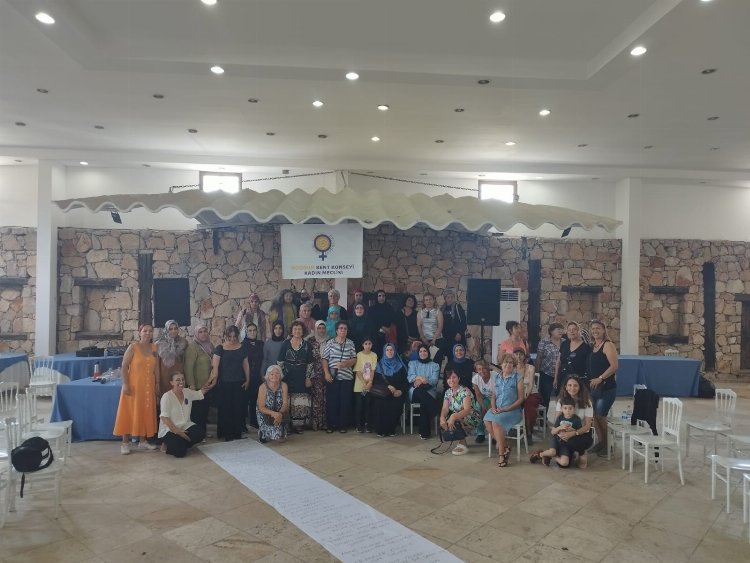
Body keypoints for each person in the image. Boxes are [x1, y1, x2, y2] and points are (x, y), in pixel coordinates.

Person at [114, 323, 159, 455]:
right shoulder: (133, 347)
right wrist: (125, 384)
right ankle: (125, 443)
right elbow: (124, 366)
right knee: (129, 412)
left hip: (148, 386)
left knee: (145, 411)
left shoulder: (154, 348)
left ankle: (142, 441)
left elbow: (156, 367)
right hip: (134, 386)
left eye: (150, 331)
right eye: (145, 331)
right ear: (139, 332)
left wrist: (157, 383)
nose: (148, 333)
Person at [533, 375, 594, 468]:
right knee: (564, 465)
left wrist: (573, 433)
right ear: (565, 387)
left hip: (580, 433)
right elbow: (557, 422)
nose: (572, 388)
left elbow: (587, 426)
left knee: (582, 461)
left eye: (575, 385)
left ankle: (582, 452)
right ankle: (552, 454)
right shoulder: (561, 401)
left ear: (580, 387)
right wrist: (561, 432)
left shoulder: (587, 402)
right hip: (563, 433)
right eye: (569, 385)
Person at [483, 353, 524, 467]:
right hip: (498, 409)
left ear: (514, 365)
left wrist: (506, 408)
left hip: (513, 410)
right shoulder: (497, 377)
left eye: (511, 363)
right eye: (506, 362)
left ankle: (502, 455)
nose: (508, 364)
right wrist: (493, 408)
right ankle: (505, 446)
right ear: (501, 364)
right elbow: (493, 396)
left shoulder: (518, 377)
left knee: (496, 422)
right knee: (486, 420)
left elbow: (521, 399)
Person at [209, 326, 250, 441]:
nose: (232, 339)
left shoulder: (242, 348)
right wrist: (213, 381)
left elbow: (246, 365)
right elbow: (215, 367)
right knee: (225, 409)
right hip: (224, 384)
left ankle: (237, 433)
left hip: (239, 383)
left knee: (238, 408)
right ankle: (226, 434)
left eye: (234, 336)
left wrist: (248, 380)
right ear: (225, 336)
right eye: (230, 336)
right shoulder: (220, 348)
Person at [587, 319, 619, 457]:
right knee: (595, 417)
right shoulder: (593, 346)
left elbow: (614, 366)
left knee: (601, 416)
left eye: (598, 328)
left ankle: (607, 445)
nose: (595, 331)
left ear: (604, 330)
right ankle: (600, 443)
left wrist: (600, 378)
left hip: (606, 388)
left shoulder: (608, 345)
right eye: (593, 328)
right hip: (594, 389)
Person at [158, 372, 208, 457]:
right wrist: (178, 432)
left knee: (200, 433)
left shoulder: (187, 392)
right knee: (180, 453)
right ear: (172, 383)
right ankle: (169, 444)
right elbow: (164, 418)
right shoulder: (167, 396)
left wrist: (212, 379)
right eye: (178, 380)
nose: (181, 382)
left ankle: (181, 443)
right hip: (170, 429)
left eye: (183, 379)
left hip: (185, 426)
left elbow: (200, 393)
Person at [277, 320, 313, 433]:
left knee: (299, 401)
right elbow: (280, 361)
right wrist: (281, 376)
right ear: (292, 331)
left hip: (301, 377)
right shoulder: (285, 344)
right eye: (295, 329)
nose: (297, 331)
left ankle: (298, 425)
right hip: (287, 377)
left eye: (299, 329)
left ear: (303, 331)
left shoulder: (307, 345)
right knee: (287, 400)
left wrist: (308, 377)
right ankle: (287, 425)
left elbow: (310, 363)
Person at [322, 321, 357, 433]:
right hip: (333, 377)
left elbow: (354, 359)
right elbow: (325, 359)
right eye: (341, 328)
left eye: (345, 328)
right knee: (332, 401)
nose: (343, 330)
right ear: (336, 330)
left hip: (346, 377)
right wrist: (326, 373)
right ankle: (331, 424)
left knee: (345, 401)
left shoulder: (350, 343)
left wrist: (345, 364)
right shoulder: (330, 342)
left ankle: (342, 425)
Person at [529, 397, 582, 467]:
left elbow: (579, 434)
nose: (568, 411)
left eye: (570, 408)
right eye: (565, 408)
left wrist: (572, 430)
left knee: (564, 463)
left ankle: (550, 456)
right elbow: (553, 432)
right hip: (556, 439)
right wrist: (560, 427)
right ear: (562, 409)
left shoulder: (577, 420)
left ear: (574, 408)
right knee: (552, 452)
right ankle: (540, 454)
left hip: (566, 444)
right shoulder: (560, 418)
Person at [440, 369, 481, 456]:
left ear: (458, 378)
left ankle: (462, 443)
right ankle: (460, 439)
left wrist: (453, 417)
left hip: (472, 416)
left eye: (454, 377)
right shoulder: (448, 392)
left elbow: (467, 410)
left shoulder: (465, 391)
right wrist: (442, 418)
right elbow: (445, 409)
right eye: (449, 378)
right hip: (459, 415)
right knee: (446, 418)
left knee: (455, 418)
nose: (451, 380)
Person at [370, 343, 408, 437]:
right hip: (383, 392)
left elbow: (406, 381)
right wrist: (388, 386)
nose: (389, 352)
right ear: (384, 352)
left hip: (397, 393)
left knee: (395, 404)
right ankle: (380, 430)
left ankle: (391, 429)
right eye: (387, 350)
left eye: (391, 350)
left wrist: (400, 391)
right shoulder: (379, 365)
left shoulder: (401, 366)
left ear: (395, 351)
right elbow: (376, 381)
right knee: (380, 403)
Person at [184, 322, 214, 434]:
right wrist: (191, 384)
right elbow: (188, 367)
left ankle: (203, 432)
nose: (203, 334)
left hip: (208, 384)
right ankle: (198, 433)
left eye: (205, 331)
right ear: (196, 334)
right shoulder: (192, 348)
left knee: (205, 410)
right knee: (197, 411)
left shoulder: (210, 345)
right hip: (197, 386)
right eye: (200, 332)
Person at [407, 343, 440, 440]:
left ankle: (424, 433)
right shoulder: (413, 363)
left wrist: (424, 380)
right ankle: (435, 407)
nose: (422, 353)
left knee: (424, 403)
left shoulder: (435, 365)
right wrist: (420, 378)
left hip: (429, 391)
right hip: (415, 391)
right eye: (420, 351)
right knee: (420, 392)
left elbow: (434, 381)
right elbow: (410, 377)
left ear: (428, 352)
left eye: (424, 351)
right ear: (418, 353)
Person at [535, 322, 564, 414]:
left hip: (561, 374)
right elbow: (539, 358)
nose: (560, 331)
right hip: (546, 374)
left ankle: (563, 416)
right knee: (545, 397)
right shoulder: (544, 342)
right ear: (551, 331)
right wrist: (537, 373)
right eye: (558, 329)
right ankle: (543, 418)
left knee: (562, 397)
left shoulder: (565, 342)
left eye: (561, 329)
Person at [256, 365, 289, 443]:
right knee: (271, 437)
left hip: (279, 412)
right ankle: (262, 432)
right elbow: (261, 407)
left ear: (280, 375)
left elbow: (285, 403)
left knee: (280, 439)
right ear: (268, 376)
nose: (274, 376)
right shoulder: (262, 387)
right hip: (265, 413)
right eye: (272, 374)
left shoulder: (284, 385)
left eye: (277, 373)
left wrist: (279, 414)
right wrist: (273, 414)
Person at [515, 348, 541, 445]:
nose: (518, 356)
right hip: (517, 394)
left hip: (531, 393)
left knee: (528, 407)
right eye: (516, 354)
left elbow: (530, 385)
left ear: (524, 356)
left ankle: (529, 432)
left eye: (520, 354)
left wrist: (525, 396)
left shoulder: (530, 367)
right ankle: (510, 429)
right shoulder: (511, 368)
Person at [156, 320, 187, 399]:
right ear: (166, 330)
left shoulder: (183, 342)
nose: (173, 331)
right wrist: (157, 381)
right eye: (170, 329)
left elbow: (186, 360)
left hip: (179, 375)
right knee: (166, 399)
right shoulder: (159, 344)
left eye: (175, 328)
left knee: (178, 399)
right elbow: (156, 364)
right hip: (164, 376)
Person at [307, 320, 329, 430]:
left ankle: (325, 423)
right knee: (316, 399)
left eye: (323, 328)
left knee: (326, 399)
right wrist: (308, 375)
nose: (321, 330)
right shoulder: (310, 341)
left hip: (327, 373)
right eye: (319, 328)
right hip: (315, 374)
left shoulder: (330, 341)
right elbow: (308, 359)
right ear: (315, 329)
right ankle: (315, 423)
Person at [556, 321, 590, 389]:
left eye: (574, 329)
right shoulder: (564, 344)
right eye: (569, 330)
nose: (571, 331)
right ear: (567, 332)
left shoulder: (586, 347)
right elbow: (558, 361)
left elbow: (588, 366)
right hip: (563, 378)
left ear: (578, 331)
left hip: (577, 381)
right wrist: (555, 378)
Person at [353, 337, 378, 432]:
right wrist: (364, 383)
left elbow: (373, 370)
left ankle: (368, 424)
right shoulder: (359, 355)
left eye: (369, 344)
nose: (368, 346)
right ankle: (359, 425)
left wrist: (370, 382)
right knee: (359, 406)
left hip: (369, 385)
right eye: (366, 344)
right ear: (362, 345)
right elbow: (357, 370)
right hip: (359, 386)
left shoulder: (374, 355)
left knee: (368, 405)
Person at [242, 322, 264, 428]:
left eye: (254, 330)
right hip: (246, 376)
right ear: (246, 332)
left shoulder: (261, 344)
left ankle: (254, 421)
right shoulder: (242, 344)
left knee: (256, 399)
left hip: (258, 376)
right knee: (244, 400)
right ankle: (242, 424)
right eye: (250, 330)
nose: (252, 332)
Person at [471, 360, 496, 444]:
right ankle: (480, 433)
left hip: (496, 398)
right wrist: (483, 406)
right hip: (484, 398)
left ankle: (494, 434)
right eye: (479, 369)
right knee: (477, 407)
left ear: (488, 368)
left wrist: (491, 406)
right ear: (476, 370)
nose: (481, 371)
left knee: (493, 410)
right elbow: (478, 395)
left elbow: (499, 394)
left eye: (484, 368)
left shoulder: (495, 376)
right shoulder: (475, 378)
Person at [440, 289, 467, 362]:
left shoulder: (457, 307)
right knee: (450, 357)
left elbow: (463, 321)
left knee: (459, 357)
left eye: (452, 297)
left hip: (457, 337)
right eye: (448, 297)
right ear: (445, 298)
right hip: (447, 338)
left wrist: (459, 332)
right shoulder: (442, 309)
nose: (450, 299)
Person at [417, 293, 444, 365]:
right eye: (426, 300)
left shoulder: (438, 312)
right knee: (424, 362)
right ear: (424, 302)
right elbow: (419, 326)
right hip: (424, 340)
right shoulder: (420, 312)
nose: (428, 301)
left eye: (430, 299)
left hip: (437, 340)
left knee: (436, 362)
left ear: (434, 300)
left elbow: (440, 326)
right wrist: (423, 339)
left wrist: (433, 340)